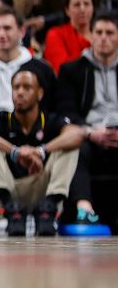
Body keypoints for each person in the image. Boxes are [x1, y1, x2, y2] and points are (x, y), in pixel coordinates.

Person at [0, 69, 83, 236]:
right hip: (4, 199)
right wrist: (16, 152)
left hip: (40, 195)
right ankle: (11, 210)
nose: (20, 92)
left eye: (27, 87)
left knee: (69, 144)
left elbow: (78, 134)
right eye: (16, 88)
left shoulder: (50, 120)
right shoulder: (3, 119)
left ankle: (48, 208)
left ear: (40, 93)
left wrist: (41, 151)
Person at [57, 13, 118, 225]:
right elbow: (66, 111)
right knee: (75, 147)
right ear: (90, 36)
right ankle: (84, 209)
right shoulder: (72, 70)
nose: (103, 38)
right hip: (88, 133)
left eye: (110, 33)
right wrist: (91, 132)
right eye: (98, 32)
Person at [0, 7, 56, 126]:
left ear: (22, 31)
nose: (1, 34)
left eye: (7, 28)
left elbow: (51, 108)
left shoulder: (42, 70)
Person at [42, 0, 94, 74]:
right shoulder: (55, 34)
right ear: (67, 10)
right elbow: (62, 69)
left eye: (86, 4)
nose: (82, 9)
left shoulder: (102, 35)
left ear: (93, 7)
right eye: (77, 5)